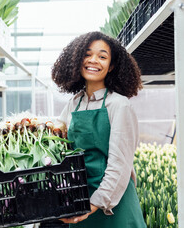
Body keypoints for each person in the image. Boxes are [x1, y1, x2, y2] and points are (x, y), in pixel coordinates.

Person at [51, 31, 146, 228]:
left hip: (112, 203)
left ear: (111, 66)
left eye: (102, 56)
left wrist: (94, 203)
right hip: (80, 197)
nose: (93, 60)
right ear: (77, 60)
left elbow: (120, 164)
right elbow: (56, 140)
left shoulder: (119, 105)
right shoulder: (74, 103)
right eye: (87, 54)